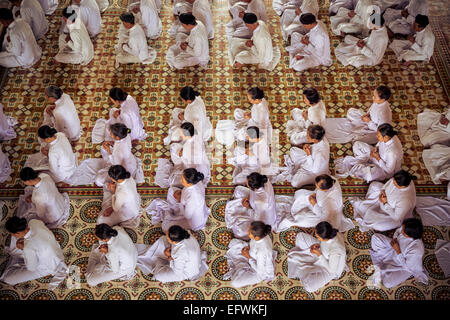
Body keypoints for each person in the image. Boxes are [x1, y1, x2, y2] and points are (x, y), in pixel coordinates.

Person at [0, 217, 68, 290]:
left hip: (47, 267)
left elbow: (32, 267)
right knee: (19, 251)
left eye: (12, 234)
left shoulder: (28, 248)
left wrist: (24, 249)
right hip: (55, 251)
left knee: (8, 279)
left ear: (17, 233)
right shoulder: (34, 222)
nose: (13, 236)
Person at [277, 175, 355, 232]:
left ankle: (292, 220)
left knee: (300, 218)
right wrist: (315, 194)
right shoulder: (332, 179)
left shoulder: (329, 204)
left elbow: (323, 217)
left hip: (326, 217)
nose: (315, 184)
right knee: (300, 195)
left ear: (324, 189)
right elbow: (319, 192)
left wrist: (314, 204)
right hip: (319, 202)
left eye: (316, 185)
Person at [287, 221, 347, 292]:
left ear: (324, 238)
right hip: (323, 253)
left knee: (309, 287)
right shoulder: (331, 232)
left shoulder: (336, 251)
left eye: (317, 236)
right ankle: (310, 261)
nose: (316, 236)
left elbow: (331, 270)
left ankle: (308, 264)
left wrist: (319, 254)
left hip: (330, 268)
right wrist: (318, 245)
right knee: (300, 236)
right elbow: (325, 244)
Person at [136, 225, 208, 282]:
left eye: (168, 238)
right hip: (190, 256)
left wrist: (170, 258)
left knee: (158, 276)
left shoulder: (178, 254)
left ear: (174, 242)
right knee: (163, 239)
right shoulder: (186, 233)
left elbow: (178, 272)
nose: (166, 236)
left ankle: (161, 262)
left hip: (184, 272)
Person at [369, 218, 428, 287]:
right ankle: (384, 261)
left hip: (402, 265)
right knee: (375, 238)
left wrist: (398, 251)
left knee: (388, 283)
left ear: (410, 236)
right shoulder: (406, 228)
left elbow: (408, 267)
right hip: (394, 248)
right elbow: (397, 232)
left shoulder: (416, 250)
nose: (401, 231)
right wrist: (395, 239)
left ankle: (384, 264)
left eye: (403, 232)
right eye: (402, 228)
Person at [350, 170, 416, 232]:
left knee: (377, 225)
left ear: (402, 186)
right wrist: (383, 191)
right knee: (374, 185)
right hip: (384, 198)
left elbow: (396, 217)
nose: (393, 183)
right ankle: (371, 207)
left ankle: (371, 211)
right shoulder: (401, 178)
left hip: (391, 213)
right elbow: (387, 184)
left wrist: (385, 202)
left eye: (395, 184)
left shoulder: (405, 200)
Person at [335, 123, 403, 182]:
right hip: (376, 155)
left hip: (382, 169)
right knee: (357, 144)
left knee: (366, 174)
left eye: (378, 136)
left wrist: (378, 158)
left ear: (385, 137)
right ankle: (363, 162)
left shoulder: (392, 152)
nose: (377, 136)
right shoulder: (389, 136)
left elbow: (389, 171)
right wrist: (375, 149)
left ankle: (362, 164)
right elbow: (380, 143)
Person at [325, 85, 392, 144]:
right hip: (368, 120)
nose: (372, 98)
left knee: (355, 136)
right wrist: (367, 114)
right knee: (351, 111)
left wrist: (369, 122)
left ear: (382, 99)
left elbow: (379, 130)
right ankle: (358, 124)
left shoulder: (384, 114)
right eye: (373, 95)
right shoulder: (378, 102)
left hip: (373, 131)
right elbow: (372, 108)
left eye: (375, 96)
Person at [224, 221, 276, 288]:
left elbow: (260, 271)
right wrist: (248, 247)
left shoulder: (262, 252)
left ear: (256, 237)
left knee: (235, 283)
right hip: (252, 255)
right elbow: (253, 242)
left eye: (249, 231)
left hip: (258, 271)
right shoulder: (263, 235)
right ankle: (242, 265)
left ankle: (242, 266)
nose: (247, 232)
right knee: (233, 242)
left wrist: (248, 257)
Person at [225, 172, 277, 238]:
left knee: (239, 232)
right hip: (256, 205)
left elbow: (255, 217)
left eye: (247, 185)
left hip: (261, 221)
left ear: (253, 187)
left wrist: (247, 206)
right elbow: (253, 193)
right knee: (238, 189)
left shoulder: (261, 203)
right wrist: (248, 198)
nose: (246, 185)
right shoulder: (264, 180)